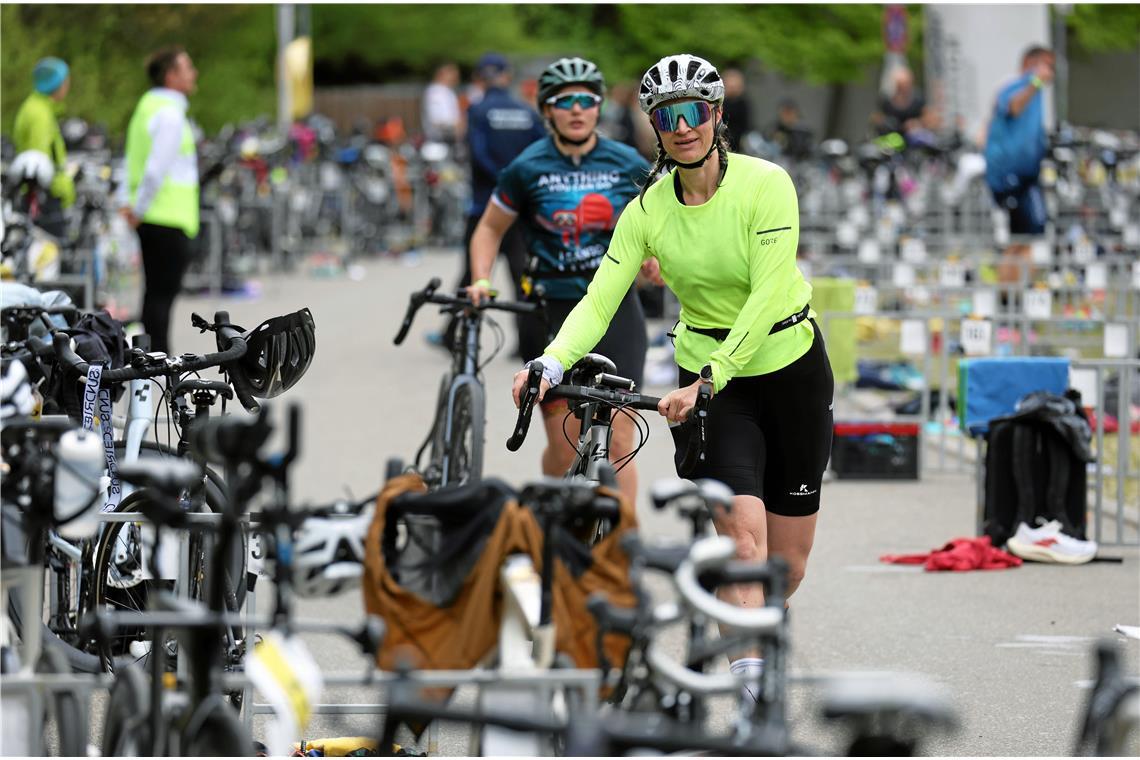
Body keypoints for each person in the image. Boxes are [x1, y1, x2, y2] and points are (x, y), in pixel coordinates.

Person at [511, 54, 833, 697]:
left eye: (695, 112)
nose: (683, 126)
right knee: (743, 541)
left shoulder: (766, 184)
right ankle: (752, 696)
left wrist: (714, 372)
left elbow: (771, 291)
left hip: (788, 365)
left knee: (786, 565)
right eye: (667, 116)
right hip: (710, 386)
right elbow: (601, 297)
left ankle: (763, 626)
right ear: (654, 126)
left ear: (716, 117)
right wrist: (550, 360)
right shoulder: (648, 209)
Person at [469, 57, 651, 506]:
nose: (576, 109)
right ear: (547, 110)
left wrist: (654, 258)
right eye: (563, 101)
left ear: (598, 108)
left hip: (615, 309)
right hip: (549, 309)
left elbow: (662, 222)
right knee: (565, 441)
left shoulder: (627, 161)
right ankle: (552, 518)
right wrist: (480, 279)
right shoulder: (526, 166)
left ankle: (620, 550)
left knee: (621, 443)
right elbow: (490, 228)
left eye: (586, 101)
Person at [438, 53, 545, 354]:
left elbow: (477, 152)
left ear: (481, 78)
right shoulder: (526, 112)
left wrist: (502, 183)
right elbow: (541, 152)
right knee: (521, 275)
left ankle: (453, 334)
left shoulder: (478, 110)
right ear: (507, 76)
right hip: (521, 207)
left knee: (474, 272)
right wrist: (519, 184)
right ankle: (528, 342)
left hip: (485, 205)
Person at [119, 46, 200, 356]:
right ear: (171, 76)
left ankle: (150, 359)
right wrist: (138, 208)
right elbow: (155, 169)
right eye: (187, 68)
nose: (194, 74)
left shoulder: (146, 108)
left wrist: (130, 204)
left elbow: (132, 161)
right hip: (167, 216)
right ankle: (161, 363)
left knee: (154, 295)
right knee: (161, 298)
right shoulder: (169, 114)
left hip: (153, 216)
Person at [985, 45, 1054, 280]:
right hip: (1009, 175)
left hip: (1028, 175)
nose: (1051, 72)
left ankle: (1022, 296)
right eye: (1048, 65)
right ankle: (1007, 300)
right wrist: (1034, 82)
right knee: (1017, 241)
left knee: (1028, 238)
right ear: (1031, 63)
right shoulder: (1016, 85)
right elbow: (1013, 106)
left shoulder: (1037, 92)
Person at [12, 57, 75, 237]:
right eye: (65, 81)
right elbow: (37, 163)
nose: (67, 85)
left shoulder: (41, 108)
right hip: (45, 198)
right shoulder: (38, 114)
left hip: (47, 194)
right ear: (55, 83)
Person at [421, 62, 462, 145]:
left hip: (450, 139)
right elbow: (436, 120)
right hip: (439, 141)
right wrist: (457, 125)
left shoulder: (448, 91)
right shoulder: (435, 92)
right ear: (442, 74)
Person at [766, 98, 814, 162]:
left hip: (800, 164)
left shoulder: (804, 131)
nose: (787, 116)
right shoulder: (774, 128)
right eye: (784, 113)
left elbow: (808, 152)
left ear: (796, 114)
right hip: (777, 162)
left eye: (789, 113)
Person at [720, 67, 752, 150]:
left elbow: (746, 126)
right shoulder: (720, 104)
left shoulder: (743, 104)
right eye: (730, 86)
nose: (733, 89)